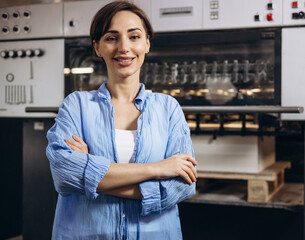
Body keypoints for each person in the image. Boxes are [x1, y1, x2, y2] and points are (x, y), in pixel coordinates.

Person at [46, 1, 197, 239]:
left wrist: (91, 170)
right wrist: (156, 169)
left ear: (147, 42)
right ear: (97, 47)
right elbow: (65, 175)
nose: (124, 47)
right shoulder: (76, 105)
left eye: (134, 36)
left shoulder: (168, 108)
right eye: (111, 38)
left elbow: (181, 186)